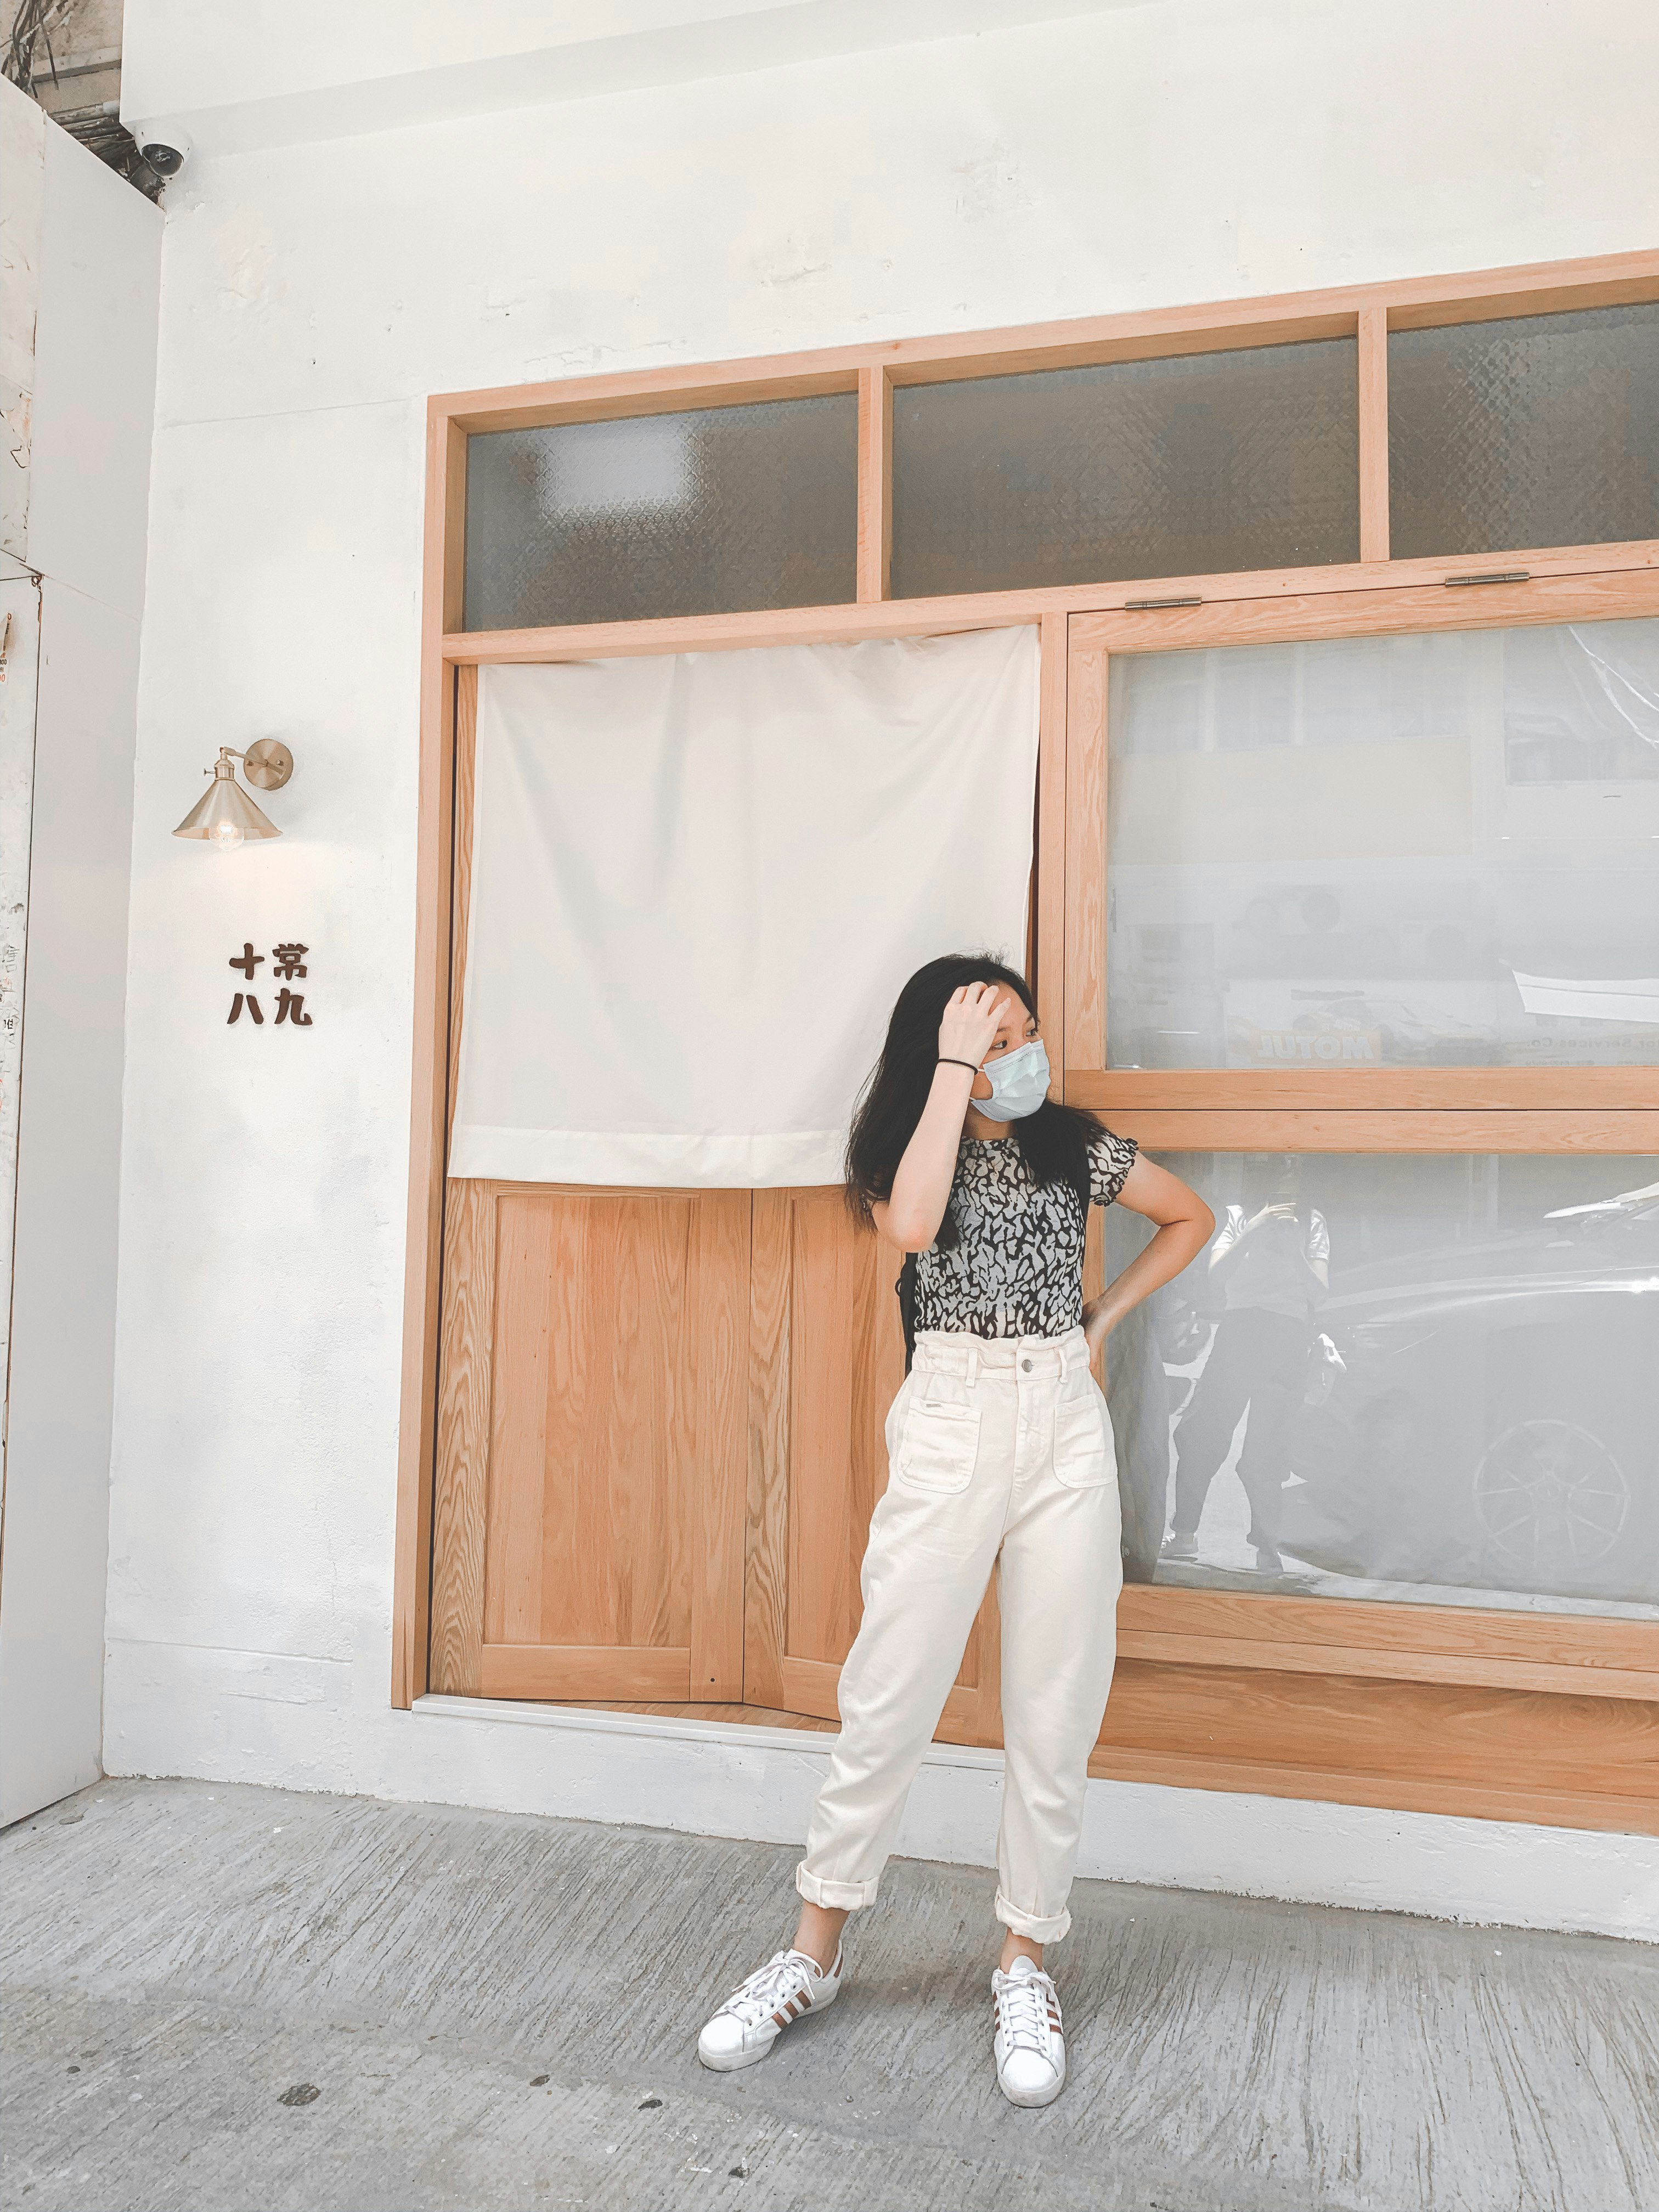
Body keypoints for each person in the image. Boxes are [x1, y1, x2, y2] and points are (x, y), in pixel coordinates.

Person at [695, 954, 1213, 2107]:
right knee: (891, 1692)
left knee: (1055, 1704)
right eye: (993, 1035)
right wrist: (949, 1073)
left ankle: (1025, 1960)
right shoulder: (902, 1146)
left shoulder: (1074, 1143)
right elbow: (914, 1226)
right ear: (941, 1052)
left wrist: (1104, 1323)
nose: (1015, 1052)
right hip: (951, 1415)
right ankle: (812, 1955)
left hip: (1062, 1423)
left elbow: (1190, 1216)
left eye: (1021, 1030)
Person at [1164, 1155, 1329, 1575]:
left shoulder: (1312, 1223)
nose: (1281, 1185)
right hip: (1241, 1331)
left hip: (1287, 1340)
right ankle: (1185, 1534)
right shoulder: (1240, 1217)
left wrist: (1294, 1252)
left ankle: (1267, 1548)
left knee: (1268, 1447)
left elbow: (1320, 1293)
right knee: (1204, 1433)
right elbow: (1216, 1276)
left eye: (1291, 1175)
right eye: (1274, 1174)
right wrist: (1254, 1231)